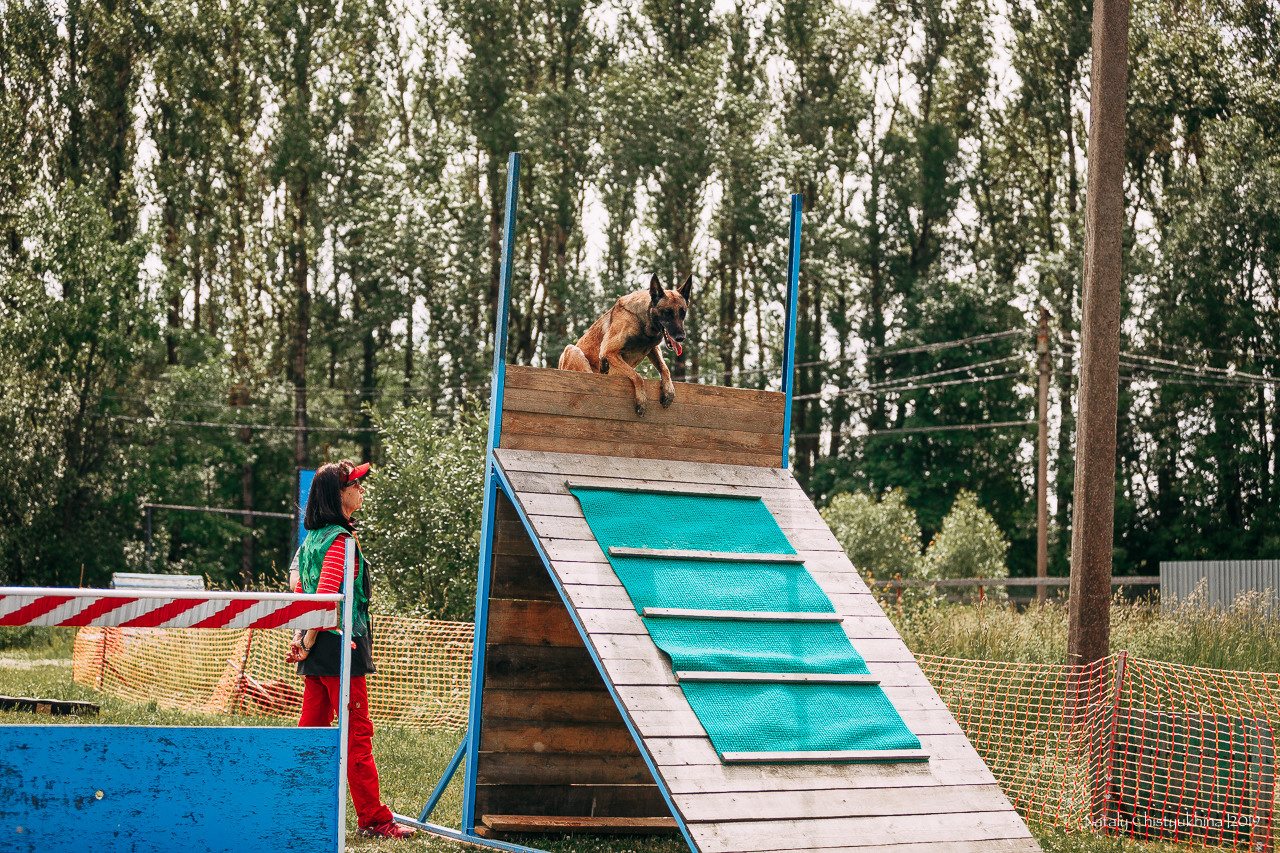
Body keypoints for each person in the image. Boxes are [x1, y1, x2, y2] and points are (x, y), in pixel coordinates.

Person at [286, 459, 416, 840]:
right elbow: (327, 605)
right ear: (337, 494)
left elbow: (298, 589)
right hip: (339, 651)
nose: (362, 489)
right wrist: (307, 641)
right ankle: (374, 819)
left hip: (317, 653)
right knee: (356, 736)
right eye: (356, 484)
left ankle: (298, 807)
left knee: (310, 733)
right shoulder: (340, 541)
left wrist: (301, 641)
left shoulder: (311, 540)